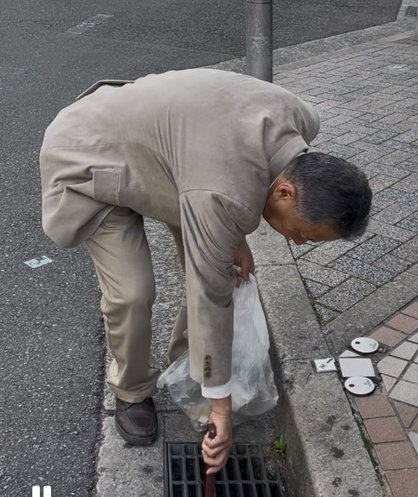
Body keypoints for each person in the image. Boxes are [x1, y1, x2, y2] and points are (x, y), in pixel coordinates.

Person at [40, 69, 372, 474]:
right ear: (285, 192)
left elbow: (232, 186)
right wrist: (223, 410)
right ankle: (131, 390)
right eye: (301, 233)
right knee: (134, 292)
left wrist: (236, 237)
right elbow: (209, 289)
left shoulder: (302, 120)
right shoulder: (221, 191)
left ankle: (189, 367)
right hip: (91, 155)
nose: (298, 243)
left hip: (176, 161)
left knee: (220, 264)